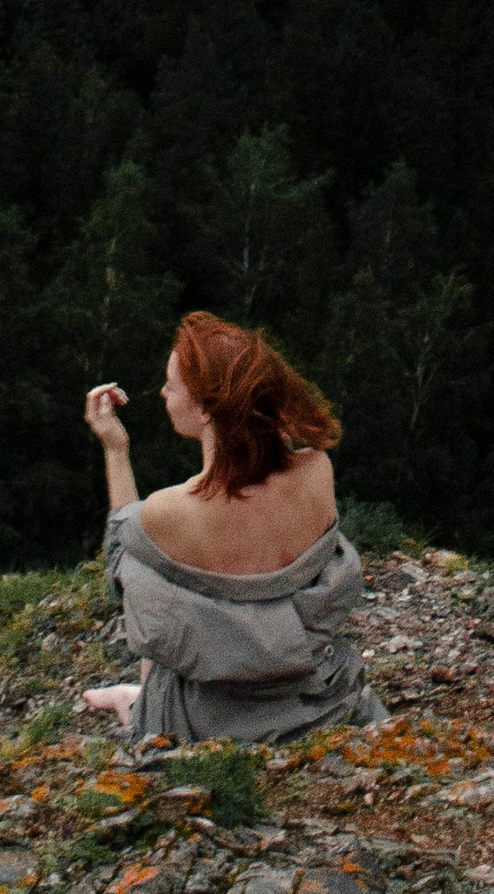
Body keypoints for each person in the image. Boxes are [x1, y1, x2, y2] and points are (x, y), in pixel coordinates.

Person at [80, 311, 384, 746]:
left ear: (205, 408)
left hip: (206, 719)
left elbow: (120, 558)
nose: (163, 392)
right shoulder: (318, 470)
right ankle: (137, 695)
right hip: (317, 699)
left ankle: (140, 701)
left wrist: (115, 446)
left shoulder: (168, 513)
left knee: (158, 588)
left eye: (171, 384)